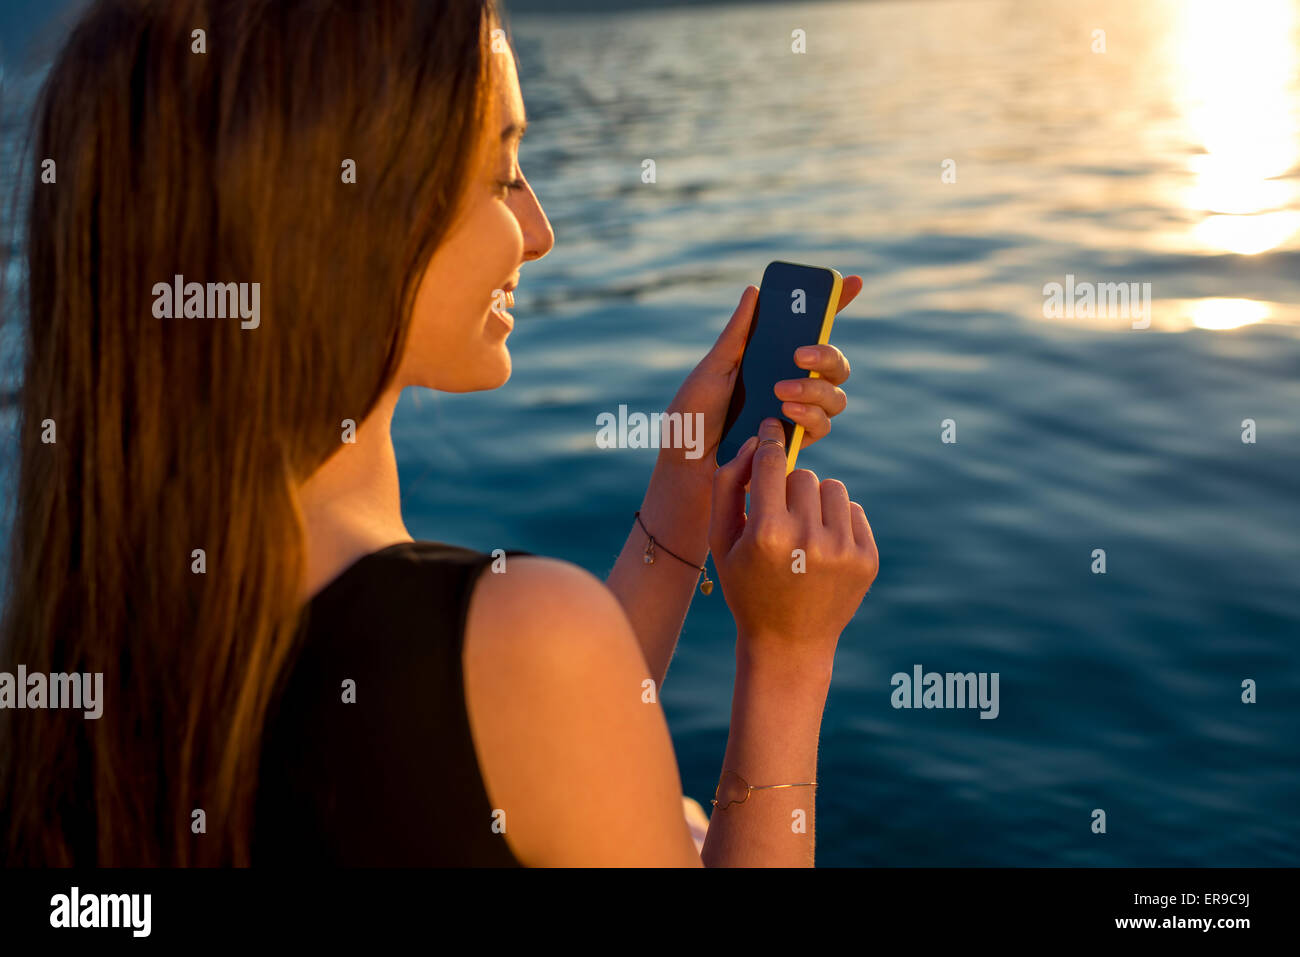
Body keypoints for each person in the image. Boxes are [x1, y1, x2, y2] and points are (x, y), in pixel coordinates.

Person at [0, 0, 878, 867]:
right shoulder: (523, 641)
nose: (539, 233)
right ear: (349, 213)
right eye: (503, 177)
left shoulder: (86, 641)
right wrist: (786, 658)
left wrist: (683, 498)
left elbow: (497, 733)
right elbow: (518, 697)